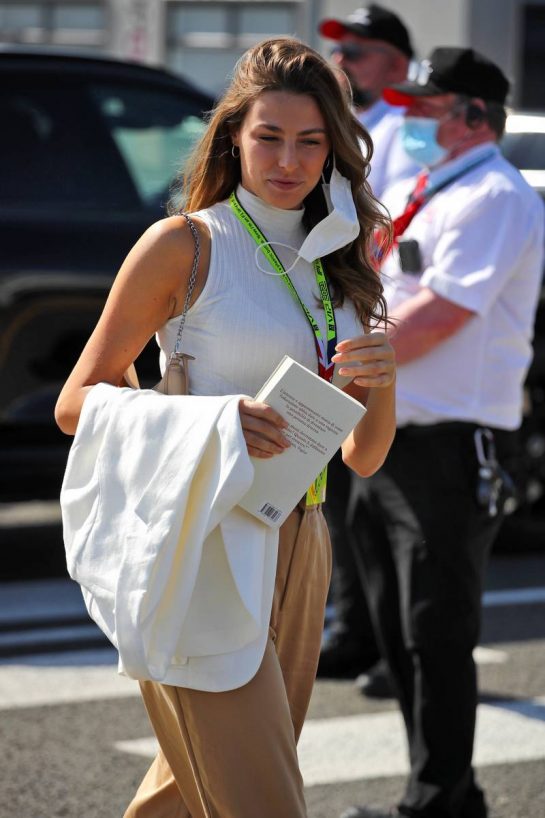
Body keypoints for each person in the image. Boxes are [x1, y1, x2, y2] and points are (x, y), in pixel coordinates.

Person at [55, 37, 397, 818]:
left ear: (334, 149)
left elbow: (365, 457)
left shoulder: (339, 261)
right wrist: (214, 424)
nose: (289, 159)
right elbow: (75, 403)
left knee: (187, 793)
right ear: (233, 136)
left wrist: (383, 377)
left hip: (302, 537)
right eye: (268, 136)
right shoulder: (186, 244)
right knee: (262, 799)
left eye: (311, 141)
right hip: (203, 540)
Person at [340, 47, 545, 818]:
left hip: (448, 444)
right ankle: (445, 793)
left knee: (435, 635)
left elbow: (440, 315)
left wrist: (338, 376)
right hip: (390, 436)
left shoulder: (492, 195)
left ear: (470, 116)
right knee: (398, 638)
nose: (408, 118)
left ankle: (439, 803)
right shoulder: (422, 184)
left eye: (424, 106)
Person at [317, 3, 419, 681]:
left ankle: (384, 641)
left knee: (369, 492)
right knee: (341, 502)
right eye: (340, 48)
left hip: (368, 325)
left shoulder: (406, 137)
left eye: (359, 48)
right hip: (330, 321)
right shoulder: (342, 126)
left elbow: (395, 246)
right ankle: (354, 627)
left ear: (397, 66)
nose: (344, 58)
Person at [319, 4, 419, 199]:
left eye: (353, 52)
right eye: (337, 49)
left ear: (397, 66)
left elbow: (395, 216)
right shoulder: (345, 117)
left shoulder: (408, 123)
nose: (339, 60)